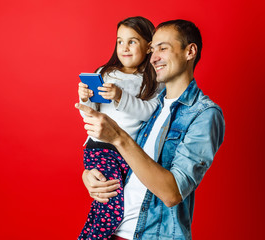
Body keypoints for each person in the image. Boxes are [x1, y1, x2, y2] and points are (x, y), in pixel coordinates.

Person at [76, 19, 225, 240]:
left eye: (163, 48)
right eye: (153, 49)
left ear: (190, 51)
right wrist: (89, 176)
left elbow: (172, 192)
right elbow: (129, 164)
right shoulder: (153, 105)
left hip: (152, 234)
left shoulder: (204, 114)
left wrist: (118, 137)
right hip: (111, 230)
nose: (153, 57)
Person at [77, 16, 162, 240]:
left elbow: (148, 111)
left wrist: (120, 96)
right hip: (100, 147)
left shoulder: (152, 79)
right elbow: (90, 114)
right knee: (110, 206)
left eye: (132, 41)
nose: (124, 47)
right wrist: (84, 99)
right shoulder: (105, 73)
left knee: (115, 204)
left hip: (129, 150)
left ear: (148, 46)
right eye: (120, 41)